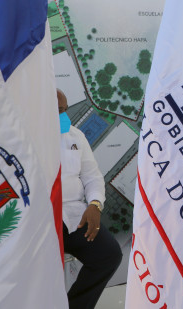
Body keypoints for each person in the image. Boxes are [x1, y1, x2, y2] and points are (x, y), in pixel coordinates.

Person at [58, 89, 122, 309]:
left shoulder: (75, 136)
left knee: (109, 255)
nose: (63, 116)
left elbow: (92, 177)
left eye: (64, 110)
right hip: (42, 221)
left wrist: (95, 204)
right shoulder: (24, 138)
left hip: (75, 217)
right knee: (43, 273)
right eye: (57, 111)